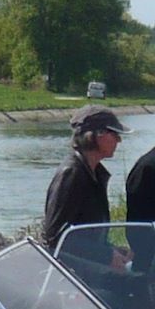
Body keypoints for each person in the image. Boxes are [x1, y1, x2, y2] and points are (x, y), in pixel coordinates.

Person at [41, 104, 124, 247]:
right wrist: (105, 257)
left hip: (89, 266)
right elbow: (55, 236)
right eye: (114, 133)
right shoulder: (71, 173)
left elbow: (91, 235)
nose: (119, 140)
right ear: (97, 135)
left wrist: (114, 250)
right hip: (70, 268)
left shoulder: (94, 172)